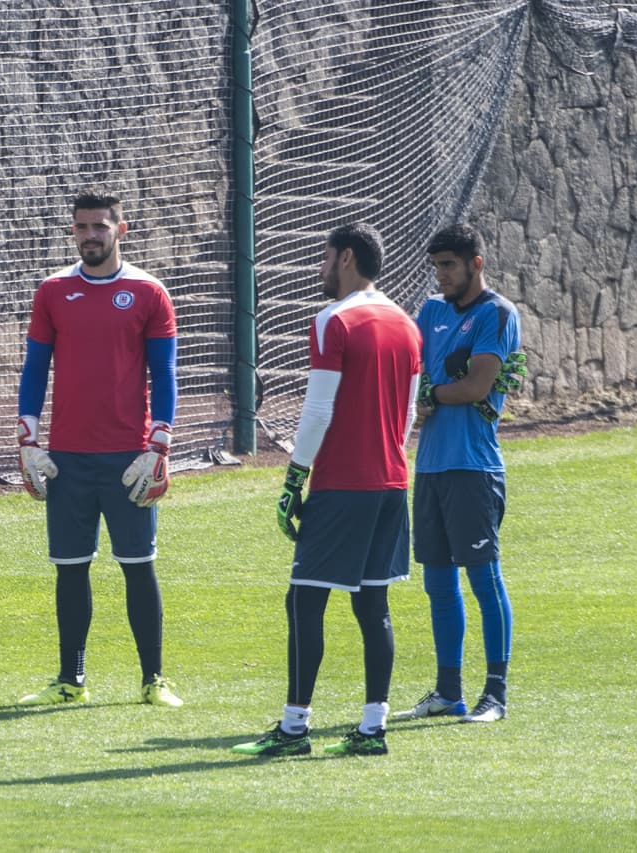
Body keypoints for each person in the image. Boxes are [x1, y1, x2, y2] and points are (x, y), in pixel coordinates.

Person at [232, 223, 421, 758]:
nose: (319, 268)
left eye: (323, 257)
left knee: (304, 602)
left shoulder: (333, 320)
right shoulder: (408, 326)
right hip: (391, 481)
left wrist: (295, 477)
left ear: (344, 259)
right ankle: (372, 728)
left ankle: (294, 730)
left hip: (343, 485)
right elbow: (407, 415)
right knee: (372, 604)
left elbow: (318, 411)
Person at [14, 188, 183, 708]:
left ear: (121, 230)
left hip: (128, 458)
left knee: (139, 565)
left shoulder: (150, 292)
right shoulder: (52, 291)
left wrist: (159, 445)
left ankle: (153, 680)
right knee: (70, 567)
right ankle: (70, 680)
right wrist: (27, 441)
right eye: (81, 227)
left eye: (100, 227)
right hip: (66, 458)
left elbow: (166, 373)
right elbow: (35, 370)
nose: (90, 235)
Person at [391, 223, 523, 724]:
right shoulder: (430, 311)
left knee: (484, 579)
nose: (441, 275)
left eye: (450, 265)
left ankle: (496, 694)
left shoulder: (497, 313)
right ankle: (449, 692)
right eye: (437, 265)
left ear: (476, 264)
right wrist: (416, 398)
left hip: (474, 468)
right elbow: (410, 373)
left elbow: (476, 387)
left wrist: (425, 398)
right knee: (438, 585)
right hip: (430, 469)